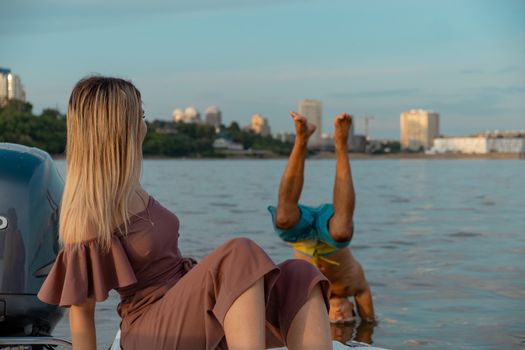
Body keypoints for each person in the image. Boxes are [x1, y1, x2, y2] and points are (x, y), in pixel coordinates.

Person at [37, 77, 334, 350]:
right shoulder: (90, 211)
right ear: (119, 125)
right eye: (140, 116)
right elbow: (81, 312)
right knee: (239, 253)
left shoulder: (131, 186)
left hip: (185, 310)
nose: (145, 125)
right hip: (149, 331)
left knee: (300, 275)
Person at [268, 111, 375, 324]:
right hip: (331, 234)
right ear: (352, 307)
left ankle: (302, 138)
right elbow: (370, 322)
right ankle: (341, 144)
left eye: (335, 319)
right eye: (346, 316)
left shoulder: (307, 297)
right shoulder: (353, 286)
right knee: (342, 231)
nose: (339, 315)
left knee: (283, 218)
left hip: (303, 238)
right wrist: (367, 324)